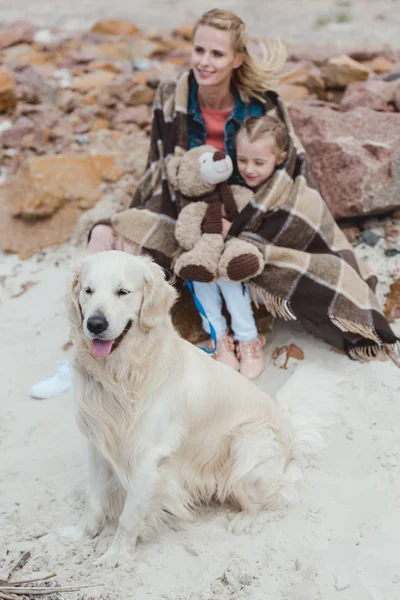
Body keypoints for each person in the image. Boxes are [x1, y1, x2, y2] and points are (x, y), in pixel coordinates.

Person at [30, 8, 399, 398]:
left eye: (217, 54)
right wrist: (173, 215)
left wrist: (237, 225)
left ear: (237, 59)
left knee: (306, 217)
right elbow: (158, 166)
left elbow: (288, 169)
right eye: (199, 49)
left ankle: (246, 333)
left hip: (250, 209)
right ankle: (84, 355)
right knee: (106, 234)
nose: (205, 61)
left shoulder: (263, 102)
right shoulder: (172, 95)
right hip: (184, 205)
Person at [192, 115, 289, 379]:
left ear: (279, 158)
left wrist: (235, 231)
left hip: (252, 258)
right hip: (223, 251)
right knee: (201, 271)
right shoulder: (230, 183)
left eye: (259, 162)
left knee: (228, 272)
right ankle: (218, 337)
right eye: (243, 160)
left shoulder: (282, 187)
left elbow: (284, 227)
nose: (249, 169)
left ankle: (248, 339)